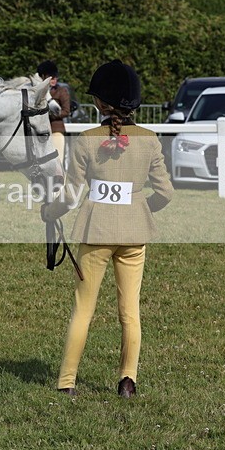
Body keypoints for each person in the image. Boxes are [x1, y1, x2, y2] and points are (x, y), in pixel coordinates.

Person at [41, 59, 174, 398]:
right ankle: (128, 381)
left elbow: (70, 197)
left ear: (100, 103)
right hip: (134, 237)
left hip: (95, 234)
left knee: (83, 310)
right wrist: (139, 209)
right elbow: (165, 193)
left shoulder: (86, 139)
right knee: (131, 311)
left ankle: (67, 383)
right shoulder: (149, 138)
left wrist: (49, 212)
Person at [37, 60, 71, 166]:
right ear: (43, 76)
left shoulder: (61, 91)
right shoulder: (38, 92)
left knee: (58, 161)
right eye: (51, 77)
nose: (54, 79)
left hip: (56, 129)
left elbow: (66, 111)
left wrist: (50, 115)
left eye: (55, 77)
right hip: (40, 132)